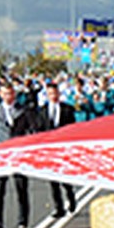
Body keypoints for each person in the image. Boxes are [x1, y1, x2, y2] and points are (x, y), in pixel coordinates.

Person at [0, 80, 34, 228]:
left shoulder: (24, 111)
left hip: (18, 155)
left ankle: (22, 223)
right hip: (1, 156)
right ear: (0, 94)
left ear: (15, 94)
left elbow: (30, 131)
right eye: (5, 93)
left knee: (21, 190)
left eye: (11, 93)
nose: (8, 96)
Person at [36, 82, 78, 217]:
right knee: (52, 179)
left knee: (65, 177)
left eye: (54, 93)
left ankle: (70, 197)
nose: (52, 96)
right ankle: (58, 207)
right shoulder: (42, 111)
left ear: (58, 94)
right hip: (49, 149)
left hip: (63, 148)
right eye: (50, 94)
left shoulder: (67, 109)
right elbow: (39, 130)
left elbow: (72, 129)